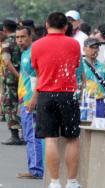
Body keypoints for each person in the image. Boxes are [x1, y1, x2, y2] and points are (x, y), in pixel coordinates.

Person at [31, 12, 81, 188]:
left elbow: (36, 68)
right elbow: (75, 66)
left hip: (46, 94)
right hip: (68, 94)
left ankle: (54, 181)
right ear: (66, 27)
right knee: (72, 138)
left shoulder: (36, 45)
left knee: (51, 139)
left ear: (46, 25)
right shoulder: (74, 44)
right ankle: (72, 181)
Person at [15, 26, 44, 179]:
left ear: (30, 36)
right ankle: (34, 168)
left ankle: (36, 170)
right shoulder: (24, 53)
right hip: (24, 100)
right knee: (28, 134)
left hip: (32, 101)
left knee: (32, 135)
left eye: (23, 37)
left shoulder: (33, 52)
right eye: (17, 37)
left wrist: (33, 98)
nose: (20, 40)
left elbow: (40, 75)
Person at [1, 19, 24, 145]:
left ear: (5, 29)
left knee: (9, 106)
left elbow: (6, 61)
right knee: (22, 105)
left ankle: (14, 135)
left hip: (11, 79)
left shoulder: (6, 43)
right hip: (23, 77)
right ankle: (24, 134)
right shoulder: (21, 40)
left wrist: (17, 75)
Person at [83, 38, 105, 117]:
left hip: (101, 103)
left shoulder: (103, 67)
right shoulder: (79, 66)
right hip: (84, 102)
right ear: (84, 49)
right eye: (91, 47)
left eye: (97, 48)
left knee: (99, 127)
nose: (95, 50)